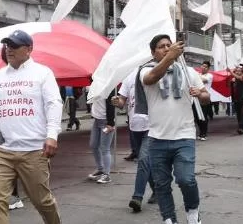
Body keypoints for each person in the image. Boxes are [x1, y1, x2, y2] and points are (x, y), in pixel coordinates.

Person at [0, 29, 62, 224]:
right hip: (2, 150)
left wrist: (52, 135)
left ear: (28, 49)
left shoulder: (43, 73)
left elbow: (54, 104)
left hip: (34, 150)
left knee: (41, 201)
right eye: (7, 45)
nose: (9, 49)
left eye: (14, 46)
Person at [135, 34, 210, 224]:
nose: (167, 48)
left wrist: (200, 94)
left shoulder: (188, 71)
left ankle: (193, 212)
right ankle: (169, 219)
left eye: (170, 45)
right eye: (162, 46)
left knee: (186, 180)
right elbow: (153, 77)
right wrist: (170, 57)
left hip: (184, 136)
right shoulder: (146, 71)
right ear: (153, 53)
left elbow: (206, 96)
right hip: (157, 139)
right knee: (161, 185)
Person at [112, 71, 155, 213]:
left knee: (143, 160)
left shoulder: (153, 73)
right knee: (146, 162)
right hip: (134, 127)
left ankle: (137, 197)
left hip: (152, 127)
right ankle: (158, 190)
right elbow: (122, 102)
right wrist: (117, 102)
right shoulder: (128, 77)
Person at [88, 86, 116, 184]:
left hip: (106, 121)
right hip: (97, 120)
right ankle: (100, 168)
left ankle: (107, 174)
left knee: (105, 148)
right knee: (93, 145)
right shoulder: (95, 85)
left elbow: (111, 106)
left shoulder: (108, 87)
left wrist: (111, 123)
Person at [194, 61, 212, 141]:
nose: (203, 67)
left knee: (203, 116)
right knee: (197, 116)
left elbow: (203, 80)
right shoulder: (198, 75)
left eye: (205, 67)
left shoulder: (209, 76)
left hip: (205, 98)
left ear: (208, 68)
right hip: (197, 98)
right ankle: (201, 132)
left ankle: (204, 133)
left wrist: (195, 75)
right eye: (202, 66)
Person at [230, 65, 243, 134]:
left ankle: (241, 128)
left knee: (242, 114)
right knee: (238, 114)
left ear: (242, 72)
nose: (238, 72)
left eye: (239, 71)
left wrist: (231, 71)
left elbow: (238, 77)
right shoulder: (234, 80)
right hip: (236, 99)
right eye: (237, 71)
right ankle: (241, 127)